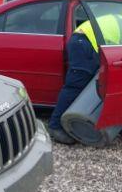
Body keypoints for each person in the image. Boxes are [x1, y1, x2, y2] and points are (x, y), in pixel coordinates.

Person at [49, 14, 121, 144]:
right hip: (84, 43)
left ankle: (76, 120)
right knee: (75, 86)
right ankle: (55, 127)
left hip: (90, 43)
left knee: (95, 85)